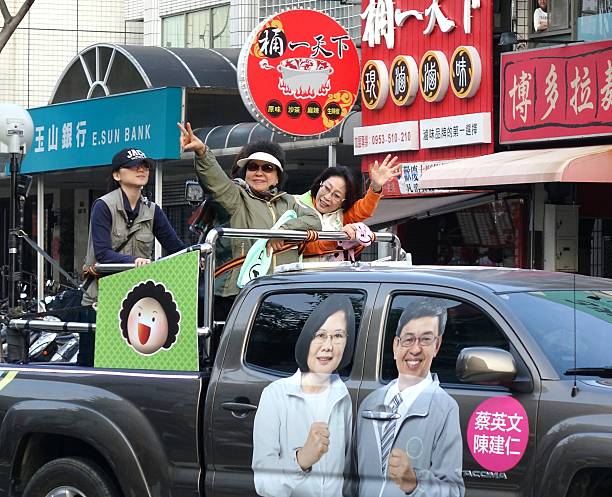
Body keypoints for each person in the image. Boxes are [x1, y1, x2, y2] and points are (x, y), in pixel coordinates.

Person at [178, 122, 321, 304]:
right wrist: (202, 152)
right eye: (253, 167)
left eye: (267, 168)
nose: (259, 172)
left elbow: (314, 220)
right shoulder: (235, 197)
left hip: (282, 292)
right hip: (237, 294)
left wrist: (283, 231)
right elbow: (216, 182)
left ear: (277, 177)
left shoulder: (290, 202)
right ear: (245, 173)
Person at [80, 148, 185, 363]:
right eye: (133, 166)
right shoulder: (103, 206)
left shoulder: (152, 210)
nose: (141, 170)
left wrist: (198, 256)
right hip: (101, 298)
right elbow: (102, 254)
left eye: (145, 166)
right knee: (93, 363)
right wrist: (133, 261)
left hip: (136, 301)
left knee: (130, 364)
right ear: (117, 175)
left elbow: (175, 246)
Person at [355, 297, 464, 497]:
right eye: (408, 339)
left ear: (437, 346)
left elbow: (453, 491)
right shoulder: (370, 403)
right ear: (396, 346)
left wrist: (414, 482)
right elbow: (351, 480)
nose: (415, 349)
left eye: (425, 339)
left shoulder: (445, 409)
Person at [252, 295, 356, 497]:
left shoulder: (342, 397)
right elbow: (263, 484)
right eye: (320, 335)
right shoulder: (276, 395)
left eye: (338, 336)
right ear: (307, 338)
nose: (328, 346)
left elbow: (344, 476)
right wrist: (301, 460)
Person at [296, 155, 400, 261]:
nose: (327, 197)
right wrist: (339, 238)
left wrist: (376, 186)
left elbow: (364, 209)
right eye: (326, 188)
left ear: (344, 202)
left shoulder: (341, 216)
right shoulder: (295, 206)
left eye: (336, 195)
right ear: (319, 184)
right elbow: (304, 248)